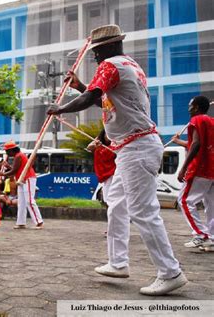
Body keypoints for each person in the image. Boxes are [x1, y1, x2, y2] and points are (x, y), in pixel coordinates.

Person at [47, 24, 187, 295]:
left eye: (96, 53)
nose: (95, 59)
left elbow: (92, 97)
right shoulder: (129, 65)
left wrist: (60, 108)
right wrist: (79, 87)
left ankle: (171, 272)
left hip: (137, 147)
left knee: (142, 211)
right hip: (130, 147)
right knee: (117, 205)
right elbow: (107, 102)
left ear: (107, 47)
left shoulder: (110, 65)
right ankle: (118, 262)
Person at [171, 96, 213, 252]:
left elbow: (196, 144)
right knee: (211, 205)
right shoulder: (211, 121)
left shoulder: (196, 120)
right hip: (211, 169)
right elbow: (198, 143)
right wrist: (178, 142)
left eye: (190, 105)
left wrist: (183, 167)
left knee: (184, 201)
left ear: (195, 107)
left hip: (200, 168)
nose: (188, 108)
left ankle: (200, 234)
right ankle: (213, 238)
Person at [0, 141, 44, 230]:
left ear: (12, 150)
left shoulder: (19, 156)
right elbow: (16, 169)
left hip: (27, 178)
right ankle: (21, 223)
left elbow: (14, 171)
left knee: (29, 201)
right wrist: (8, 167)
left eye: (7, 151)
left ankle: (39, 222)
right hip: (21, 180)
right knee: (21, 202)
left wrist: (3, 174)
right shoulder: (18, 156)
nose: (7, 153)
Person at [86, 129, 116, 207]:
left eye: (110, 134)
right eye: (106, 134)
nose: (108, 136)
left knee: (113, 198)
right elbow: (89, 147)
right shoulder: (98, 145)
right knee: (106, 199)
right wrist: (96, 142)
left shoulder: (116, 144)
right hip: (103, 175)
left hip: (114, 174)